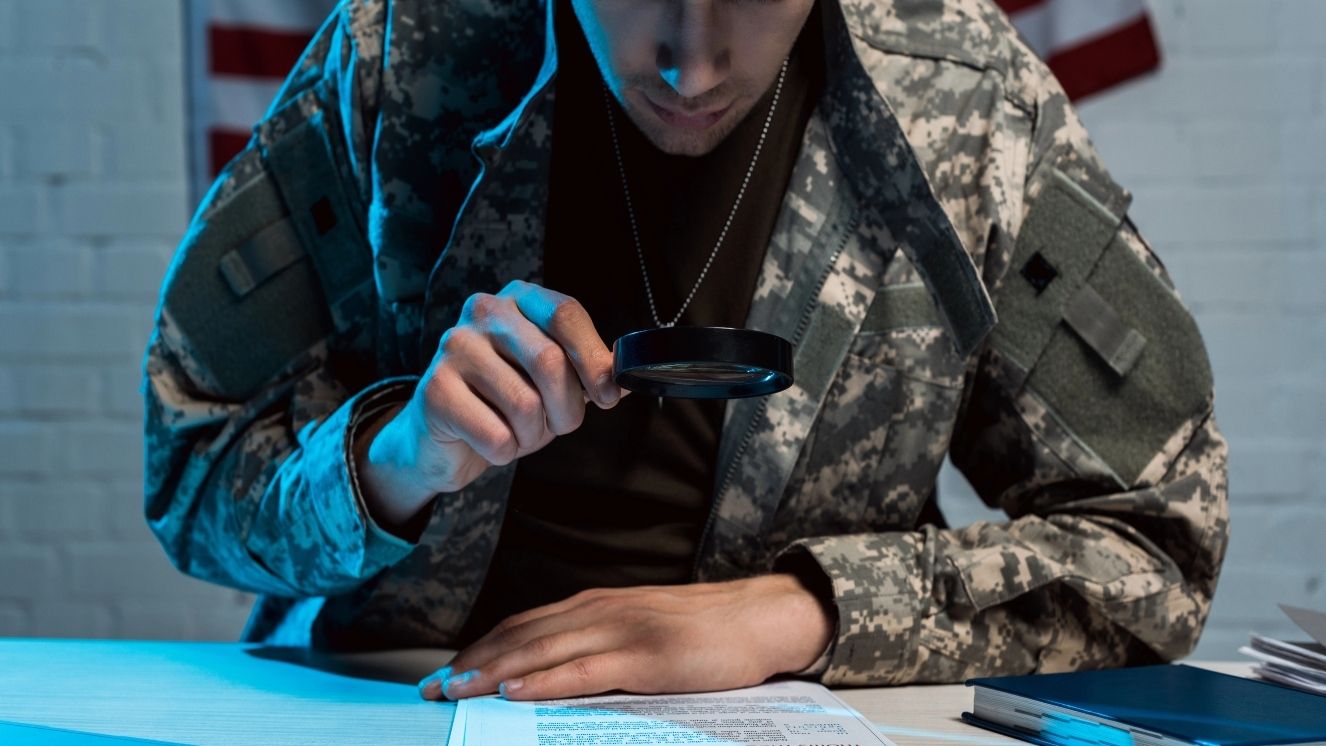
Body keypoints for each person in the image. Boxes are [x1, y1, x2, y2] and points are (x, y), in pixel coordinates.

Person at [143, 0, 1228, 703]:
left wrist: (800, 610)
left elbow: (1159, 546)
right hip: (395, 707)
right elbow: (191, 462)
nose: (691, 62)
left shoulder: (971, 105)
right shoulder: (398, 53)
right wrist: (397, 456)